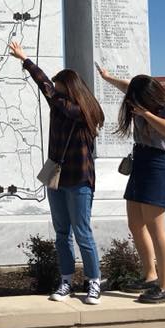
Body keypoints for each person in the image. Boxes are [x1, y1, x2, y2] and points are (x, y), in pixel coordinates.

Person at [10, 42, 105, 305]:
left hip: (80, 178)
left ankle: (93, 282)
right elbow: (46, 86)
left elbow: (47, 88)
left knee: (82, 231)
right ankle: (65, 280)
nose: (55, 91)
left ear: (69, 87)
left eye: (59, 87)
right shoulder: (60, 105)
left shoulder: (84, 112)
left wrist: (27, 61)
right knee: (62, 232)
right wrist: (26, 60)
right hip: (57, 177)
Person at [96, 65, 165, 304]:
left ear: (148, 97)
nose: (130, 100)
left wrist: (146, 115)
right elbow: (127, 86)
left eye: (136, 97)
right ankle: (149, 276)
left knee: (156, 229)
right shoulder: (139, 98)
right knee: (135, 224)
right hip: (140, 163)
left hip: (157, 166)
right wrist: (107, 78)